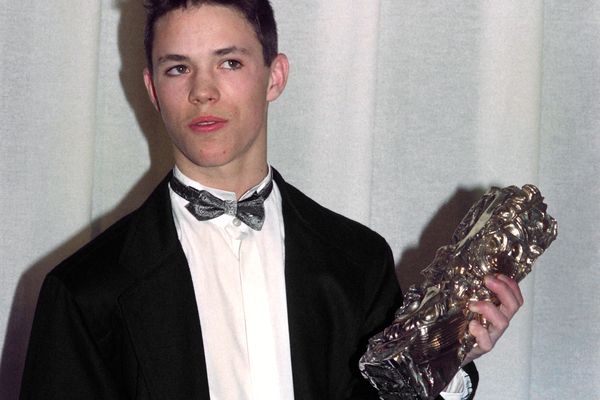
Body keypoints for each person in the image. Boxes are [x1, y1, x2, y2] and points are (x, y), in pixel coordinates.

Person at [19, 1, 523, 399]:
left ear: (274, 77)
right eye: (178, 69)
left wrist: (447, 358)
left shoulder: (359, 262)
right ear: (152, 89)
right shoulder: (83, 292)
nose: (202, 92)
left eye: (229, 62)